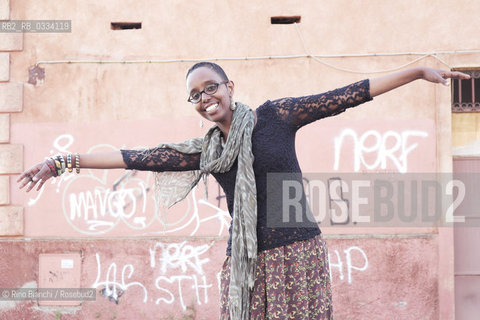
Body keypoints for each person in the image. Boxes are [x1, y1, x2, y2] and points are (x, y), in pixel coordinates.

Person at [18, 62, 469, 319]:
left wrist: (416, 70)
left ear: (229, 87)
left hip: (298, 253)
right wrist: (61, 162)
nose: (204, 98)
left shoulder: (277, 117)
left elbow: (347, 94)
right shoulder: (205, 151)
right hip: (246, 263)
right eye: (195, 95)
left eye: (210, 87)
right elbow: (135, 156)